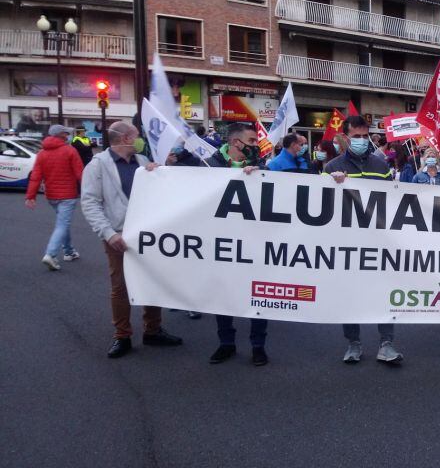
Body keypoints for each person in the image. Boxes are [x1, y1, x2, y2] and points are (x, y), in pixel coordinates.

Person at [81, 121, 183, 358]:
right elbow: (90, 203)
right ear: (126, 138)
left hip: (148, 234)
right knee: (121, 287)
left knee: (153, 281)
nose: (141, 140)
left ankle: (153, 329)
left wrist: (159, 173)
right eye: (137, 136)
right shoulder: (98, 166)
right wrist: (109, 234)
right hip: (118, 234)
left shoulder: (141, 162)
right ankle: (122, 335)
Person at [324, 116, 402, 364]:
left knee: (384, 292)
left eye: (364, 135)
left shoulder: (381, 165)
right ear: (345, 137)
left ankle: (386, 344)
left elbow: (393, 201)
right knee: (350, 294)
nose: (360, 140)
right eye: (355, 136)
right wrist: (333, 185)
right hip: (347, 242)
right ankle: (353, 344)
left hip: (379, 241)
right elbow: (321, 206)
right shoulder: (331, 167)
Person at [200, 123, 271, 365]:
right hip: (223, 242)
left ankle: (258, 345)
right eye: (252, 141)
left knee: (259, 294)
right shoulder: (209, 165)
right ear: (235, 143)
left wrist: (259, 178)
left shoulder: (262, 167)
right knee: (223, 294)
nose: (256, 146)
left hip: (255, 241)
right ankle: (226, 343)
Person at [25, 124, 84, 270]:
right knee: (62, 224)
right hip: (68, 194)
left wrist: (30, 196)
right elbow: (80, 174)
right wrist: (91, 191)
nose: (67, 134)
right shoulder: (70, 151)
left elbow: (36, 177)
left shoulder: (41, 153)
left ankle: (69, 251)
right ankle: (50, 254)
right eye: (65, 132)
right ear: (61, 135)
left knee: (63, 223)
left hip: (52, 195)